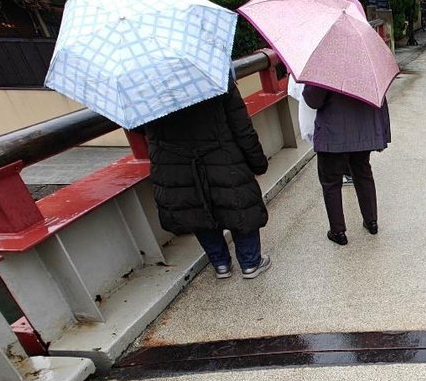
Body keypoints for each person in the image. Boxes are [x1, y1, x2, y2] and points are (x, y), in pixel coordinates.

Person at [140, 77, 271, 279]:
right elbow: (241, 127)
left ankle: (220, 264)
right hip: (223, 155)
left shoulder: (145, 89)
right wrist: (258, 162)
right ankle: (250, 262)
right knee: (238, 206)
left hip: (176, 163)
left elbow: (141, 129)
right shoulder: (214, 75)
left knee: (197, 212)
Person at [302, 86, 391, 245]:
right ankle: (371, 221)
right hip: (363, 130)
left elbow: (313, 100)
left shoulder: (326, 65)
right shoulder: (366, 63)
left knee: (331, 182)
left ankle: (338, 231)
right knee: (363, 174)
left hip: (333, 134)